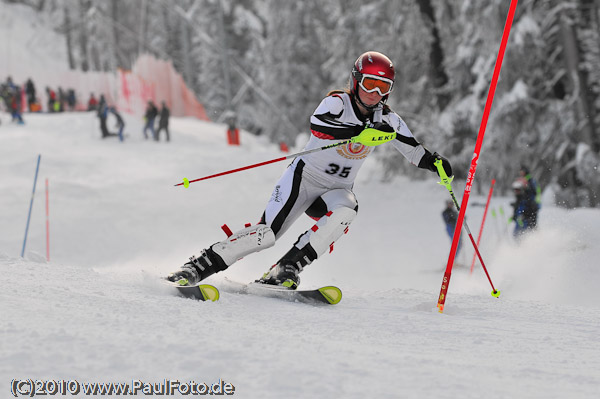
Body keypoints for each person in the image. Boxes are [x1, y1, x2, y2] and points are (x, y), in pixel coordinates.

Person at [166, 51, 453, 289]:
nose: (374, 94)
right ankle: (198, 266)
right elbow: (319, 125)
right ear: (356, 81)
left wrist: (437, 163)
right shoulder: (337, 102)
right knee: (266, 235)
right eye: (368, 84)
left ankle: (286, 268)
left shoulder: (389, 120)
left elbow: (414, 151)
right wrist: (358, 132)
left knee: (347, 211)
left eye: (383, 88)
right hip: (303, 179)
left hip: (337, 189)